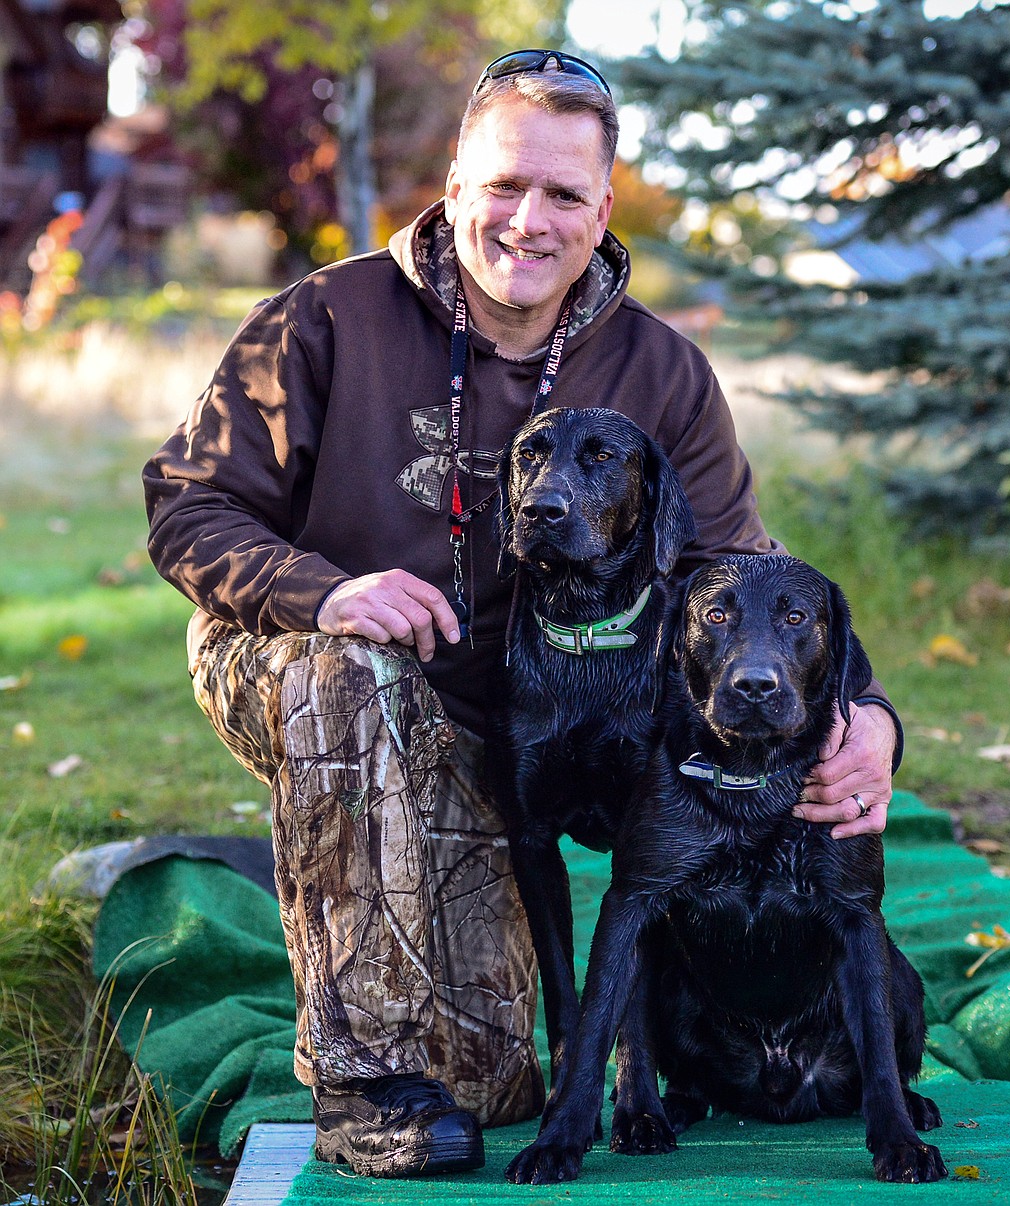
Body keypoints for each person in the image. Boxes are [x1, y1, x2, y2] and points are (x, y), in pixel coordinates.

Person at [143, 48, 903, 1179]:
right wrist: (326, 591)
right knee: (348, 672)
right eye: (503, 184)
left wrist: (872, 717)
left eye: (562, 194)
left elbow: (743, 569)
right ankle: (361, 1092)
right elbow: (187, 506)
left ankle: (490, 1023)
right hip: (332, 683)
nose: (527, 220)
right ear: (454, 182)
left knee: (495, 1073)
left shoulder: (664, 371)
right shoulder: (322, 320)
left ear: (602, 208)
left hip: (533, 724)